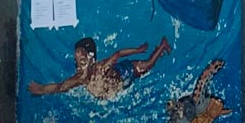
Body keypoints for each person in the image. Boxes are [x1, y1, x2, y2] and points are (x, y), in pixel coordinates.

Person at [26, 36, 170, 100]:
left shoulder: (101, 68)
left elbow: (118, 54)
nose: (78, 68)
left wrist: (138, 50)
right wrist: (41, 89)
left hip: (125, 72)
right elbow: (59, 87)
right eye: (76, 63)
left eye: (81, 62)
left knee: (148, 65)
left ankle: (162, 45)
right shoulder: (80, 78)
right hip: (113, 91)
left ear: (91, 59)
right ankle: (159, 48)